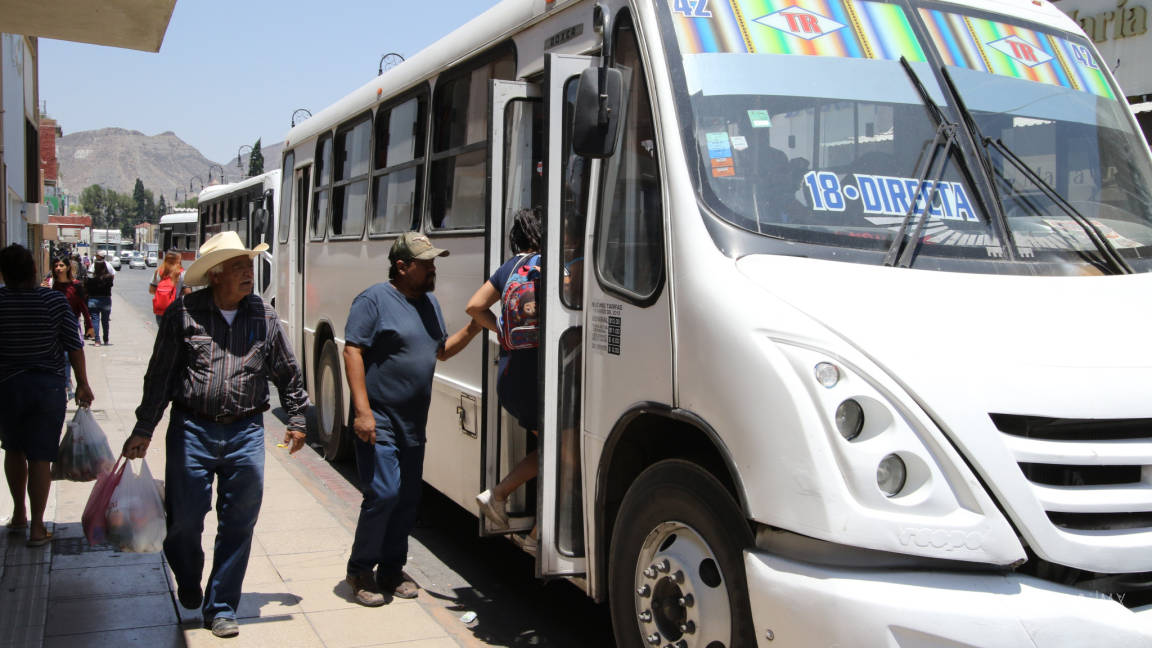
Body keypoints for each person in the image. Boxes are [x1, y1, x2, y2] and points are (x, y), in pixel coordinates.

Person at [120, 231, 309, 639]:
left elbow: (288, 374)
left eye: (249, 265)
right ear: (217, 274)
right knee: (185, 521)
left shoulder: (264, 316)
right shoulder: (183, 313)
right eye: (239, 267)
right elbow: (161, 377)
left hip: (245, 432)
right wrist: (143, 428)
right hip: (192, 430)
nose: (248, 273)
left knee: (239, 522)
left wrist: (297, 420)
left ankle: (222, 605)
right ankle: (188, 576)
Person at [343, 231, 482, 607]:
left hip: (412, 423)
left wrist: (474, 327)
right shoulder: (374, 300)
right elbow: (352, 351)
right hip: (379, 419)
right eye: (426, 263)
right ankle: (359, 570)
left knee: (407, 499)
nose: (433, 267)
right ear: (402, 266)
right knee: (384, 493)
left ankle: (391, 569)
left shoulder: (429, 304)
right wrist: (362, 411)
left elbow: (441, 352)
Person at [0, 244, 94, 547]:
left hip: (7, 389)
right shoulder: (53, 301)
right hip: (46, 389)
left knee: (13, 450)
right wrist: (82, 383)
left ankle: (18, 515)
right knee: (40, 457)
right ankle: (38, 527)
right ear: (32, 271)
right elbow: (74, 344)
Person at [467, 209, 542, 549]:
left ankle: (535, 527)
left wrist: (500, 328)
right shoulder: (552, 264)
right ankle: (500, 497)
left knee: (556, 450)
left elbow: (474, 306)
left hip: (511, 377)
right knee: (563, 452)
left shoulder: (510, 268)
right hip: (537, 379)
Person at [43, 257, 93, 397]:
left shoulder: (76, 285)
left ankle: (65, 385)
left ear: (67, 268)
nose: (58, 268)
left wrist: (89, 326)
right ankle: (64, 382)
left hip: (71, 325)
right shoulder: (50, 284)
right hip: (52, 326)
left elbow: (83, 306)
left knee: (68, 355)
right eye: (56, 266)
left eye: (61, 265)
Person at [150, 252, 189, 325]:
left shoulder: (158, 272)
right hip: (176, 310)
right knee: (174, 334)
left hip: (161, 311)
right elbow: (188, 293)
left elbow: (151, 290)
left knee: (162, 333)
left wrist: (163, 295)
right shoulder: (182, 273)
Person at [84, 260, 114, 346]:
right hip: (106, 300)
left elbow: (87, 288)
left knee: (95, 320)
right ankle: (106, 339)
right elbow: (111, 285)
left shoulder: (91, 278)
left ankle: (97, 340)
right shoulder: (108, 277)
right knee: (105, 321)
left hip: (93, 300)